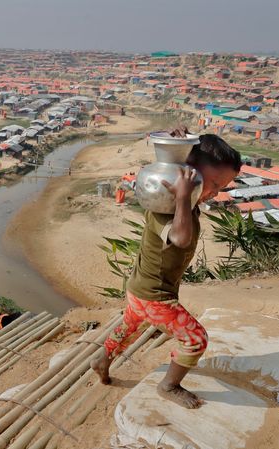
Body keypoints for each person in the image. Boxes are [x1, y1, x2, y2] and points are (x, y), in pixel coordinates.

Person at [90, 129, 242, 409]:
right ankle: (169, 385)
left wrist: (179, 148)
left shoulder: (184, 200)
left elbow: (177, 159)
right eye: (214, 184)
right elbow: (180, 238)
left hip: (139, 289)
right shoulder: (165, 208)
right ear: (184, 177)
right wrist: (183, 197)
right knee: (196, 339)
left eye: (221, 188)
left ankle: (102, 359)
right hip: (154, 296)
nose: (214, 193)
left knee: (129, 327)